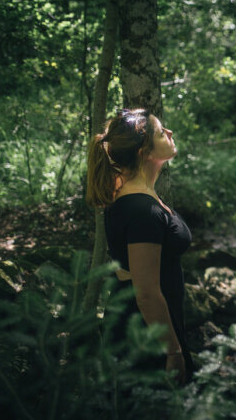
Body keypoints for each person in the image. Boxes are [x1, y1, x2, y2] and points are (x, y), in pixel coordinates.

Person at [86, 108, 193, 383]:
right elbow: (145, 293)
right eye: (160, 132)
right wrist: (173, 352)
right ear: (145, 153)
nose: (169, 132)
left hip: (151, 326)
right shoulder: (140, 210)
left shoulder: (138, 194)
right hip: (145, 335)